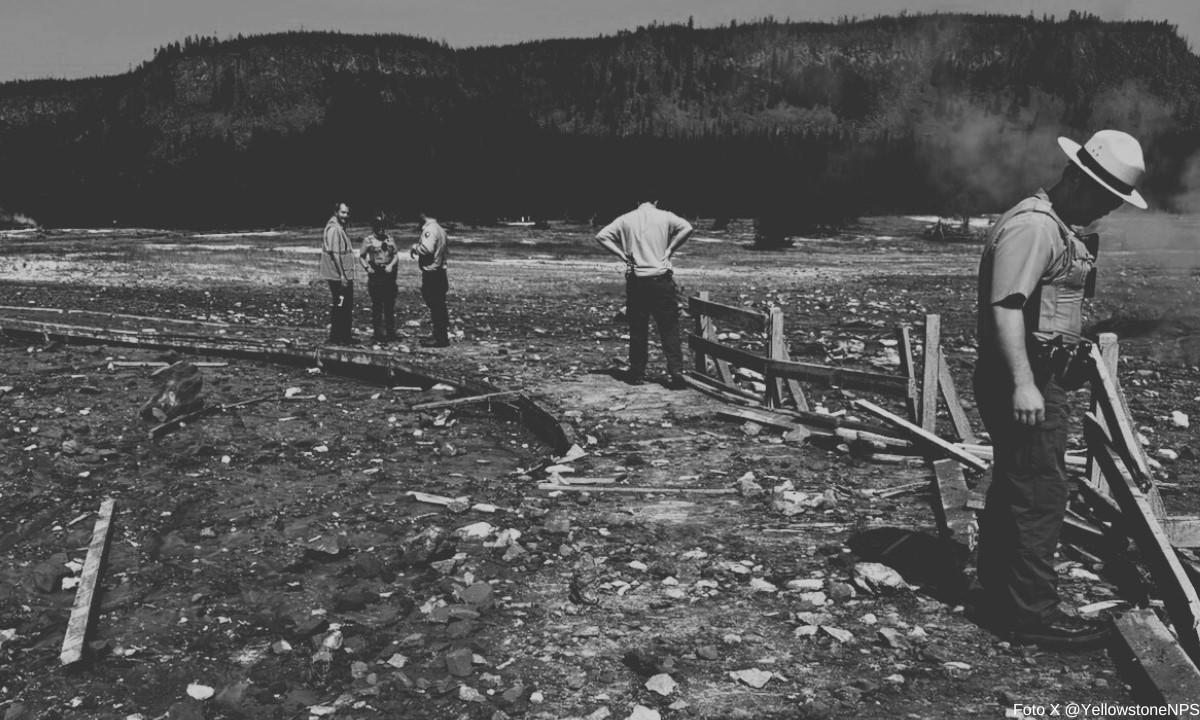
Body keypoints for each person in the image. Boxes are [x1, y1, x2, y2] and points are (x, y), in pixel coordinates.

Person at [973, 130, 1147, 649]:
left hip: (1033, 375)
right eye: (1103, 197)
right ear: (1077, 179)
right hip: (1021, 380)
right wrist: (1025, 384)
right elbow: (1005, 307)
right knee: (1041, 494)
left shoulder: (1058, 227)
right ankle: (1033, 616)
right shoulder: (1035, 228)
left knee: (1017, 485)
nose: (1107, 210)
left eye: (1114, 202)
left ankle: (1003, 596)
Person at [595, 199, 694, 389]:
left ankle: (637, 373)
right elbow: (687, 228)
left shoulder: (626, 219)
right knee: (669, 328)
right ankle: (676, 372)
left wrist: (622, 255)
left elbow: (601, 236)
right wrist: (670, 249)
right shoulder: (666, 216)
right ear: (656, 200)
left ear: (637, 200)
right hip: (661, 280)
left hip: (637, 281)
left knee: (638, 329)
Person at [410, 213, 450, 347]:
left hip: (432, 274)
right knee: (440, 305)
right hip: (441, 272)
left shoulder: (430, 229)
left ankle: (439, 338)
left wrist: (415, 248)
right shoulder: (440, 229)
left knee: (435, 306)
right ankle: (441, 334)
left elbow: (427, 248)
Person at [319, 202, 356, 344]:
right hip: (338, 276)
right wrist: (342, 275)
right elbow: (335, 253)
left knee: (344, 305)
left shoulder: (339, 227)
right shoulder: (334, 229)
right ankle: (339, 337)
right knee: (341, 305)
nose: (345, 216)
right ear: (336, 212)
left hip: (342, 274)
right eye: (343, 213)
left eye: (347, 213)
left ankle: (343, 336)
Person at [359, 214, 399, 342]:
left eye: (383, 227)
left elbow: (396, 255)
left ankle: (391, 332)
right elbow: (361, 256)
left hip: (388, 274)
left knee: (389, 305)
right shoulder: (368, 240)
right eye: (379, 227)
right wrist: (366, 267)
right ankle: (378, 333)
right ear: (374, 227)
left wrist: (391, 265)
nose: (382, 229)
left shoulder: (390, 239)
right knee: (377, 305)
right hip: (376, 273)